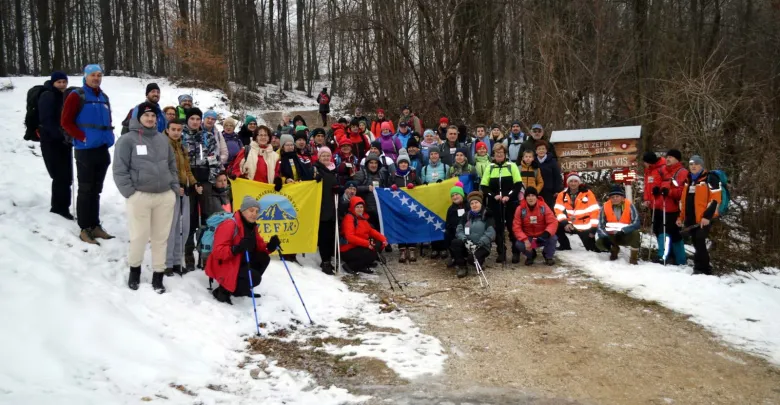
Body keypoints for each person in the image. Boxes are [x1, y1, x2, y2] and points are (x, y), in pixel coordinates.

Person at [113, 102, 178, 293]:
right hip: (140, 196)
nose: (150, 119)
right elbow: (119, 169)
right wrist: (130, 193)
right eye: (146, 116)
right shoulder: (127, 140)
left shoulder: (162, 139)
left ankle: (158, 275)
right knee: (139, 236)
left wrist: (173, 187)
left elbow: (171, 164)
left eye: (153, 116)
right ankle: (135, 271)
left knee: (160, 238)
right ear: (138, 117)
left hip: (164, 196)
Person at [60, 64, 115, 244]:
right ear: (85, 76)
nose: (96, 78)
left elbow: (109, 119)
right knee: (86, 189)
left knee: (97, 189)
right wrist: (81, 137)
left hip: (102, 148)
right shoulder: (77, 95)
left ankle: (95, 224)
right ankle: (84, 227)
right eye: (93, 75)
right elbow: (66, 121)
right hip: (85, 150)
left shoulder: (104, 96)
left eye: (99, 75)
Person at [206, 196, 280, 304]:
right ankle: (223, 290)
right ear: (243, 210)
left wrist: (270, 246)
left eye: (256, 211)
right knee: (255, 277)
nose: (254, 214)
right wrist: (237, 248)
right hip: (226, 263)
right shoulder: (230, 224)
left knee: (263, 258)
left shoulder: (252, 227)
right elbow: (218, 251)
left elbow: (259, 247)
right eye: (251, 210)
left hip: (240, 260)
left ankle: (240, 290)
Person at [164, 119, 201, 277]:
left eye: (179, 130)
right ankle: (168, 263)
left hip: (184, 189)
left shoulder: (182, 146)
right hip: (171, 190)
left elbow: (187, 169)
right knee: (171, 228)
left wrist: (194, 183)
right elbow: (162, 169)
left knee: (183, 227)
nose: (176, 132)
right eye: (173, 129)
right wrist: (173, 186)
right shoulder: (163, 146)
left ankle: (178, 261)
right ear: (167, 130)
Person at [37, 71, 73, 220]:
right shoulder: (48, 96)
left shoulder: (64, 96)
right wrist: (61, 135)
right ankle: (59, 209)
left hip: (63, 141)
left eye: (64, 82)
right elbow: (47, 121)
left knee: (66, 176)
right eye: (59, 82)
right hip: (51, 141)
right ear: (53, 83)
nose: (62, 85)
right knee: (60, 176)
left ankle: (63, 207)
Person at [678, 155, 722, 275]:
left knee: (700, 240)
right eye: (691, 164)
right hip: (691, 218)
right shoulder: (688, 180)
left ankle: (704, 269)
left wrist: (707, 217)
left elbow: (715, 199)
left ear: (701, 165)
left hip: (704, 218)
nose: (693, 166)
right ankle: (700, 267)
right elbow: (684, 201)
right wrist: (681, 217)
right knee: (696, 243)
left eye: (696, 164)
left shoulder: (710, 178)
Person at [480, 143, 523, 263]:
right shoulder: (490, 167)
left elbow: (518, 185)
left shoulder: (511, 166)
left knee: (512, 227)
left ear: (505, 154)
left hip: (510, 203)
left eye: (501, 153)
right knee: (498, 229)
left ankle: (516, 252)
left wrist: (508, 196)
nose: (499, 155)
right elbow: (484, 186)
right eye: (496, 153)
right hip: (495, 203)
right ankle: (501, 252)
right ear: (493, 154)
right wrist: (494, 196)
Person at [653, 149, 689, 265]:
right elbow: (659, 184)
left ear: (677, 159)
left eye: (671, 157)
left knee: (665, 231)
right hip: (662, 207)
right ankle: (680, 260)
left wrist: (669, 192)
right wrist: (657, 190)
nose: (668, 159)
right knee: (672, 233)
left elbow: (682, 192)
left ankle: (663, 256)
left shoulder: (682, 172)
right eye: (667, 156)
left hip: (673, 208)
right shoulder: (663, 170)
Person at [388, 149, 422, 262]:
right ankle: (402, 249)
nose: (403, 164)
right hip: (399, 206)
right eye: (401, 162)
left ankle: (412, 249)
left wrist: (415, 187)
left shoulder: (412, 175)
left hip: (411, 206)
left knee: (411, 225)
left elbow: (422, 187)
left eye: (405, 163)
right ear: (398, 164)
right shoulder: (393, 176)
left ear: (408, 164)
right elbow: (387, 188)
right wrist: (392, 188)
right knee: (400, 226)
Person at [339, 197, 388, 274]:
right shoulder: (349, 218)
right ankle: (350, 265)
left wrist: (383, 239)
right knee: (371, 251)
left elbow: (371, 231)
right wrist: (367, 244)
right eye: (357, 207)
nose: (360, 209)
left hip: (359, 246)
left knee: (377, 245)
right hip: (348, 249)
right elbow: (350, 237)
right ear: (352, 207)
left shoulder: (362, 217)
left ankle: (363, 264)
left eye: (361, 207)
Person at [453, 191, 495, 278]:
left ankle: (478, 260)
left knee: (472, 260)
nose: (474, 205)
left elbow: (491, 232)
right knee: (455, 242)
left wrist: (479, 243)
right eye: (472, 203)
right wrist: (465, 240)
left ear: (480, 203)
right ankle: (462, 267)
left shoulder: (487, 215)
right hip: (468, 244)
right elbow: (459, 230)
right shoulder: (466, 215)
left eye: (476, 202)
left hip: (482, 246)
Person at [554, 173, 600, 252]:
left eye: (575, 181)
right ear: (568, 183)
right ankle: (565, 245)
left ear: (579, 182)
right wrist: (565, 223)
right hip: (570, 225)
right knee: (554, 225)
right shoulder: (562, 194)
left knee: (592, 250)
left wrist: (593, 228)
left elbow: (594, 211)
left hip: (584, 226)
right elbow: (558, 210)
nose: (573, 183)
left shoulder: (588, 193)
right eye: (571, 181)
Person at [512, 187, 558, 266]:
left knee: (553, 238)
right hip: (528, 236)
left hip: (542, 236)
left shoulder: (544, 207)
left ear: (536, 197)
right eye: (528, 196)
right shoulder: (520, 209)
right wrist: (525, 240)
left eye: (533, 195)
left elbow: (553, 222)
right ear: (525, 197)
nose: (531, 198)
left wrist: (546, 234)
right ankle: (531, 255)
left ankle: (548, 256)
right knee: (519, 244)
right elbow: (516, 227)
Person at [596, 185, 641, 264]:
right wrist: (604, 236)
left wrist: (624, 230)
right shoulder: (605, 206)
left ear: (622, 197)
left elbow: (636, 222)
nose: (615, 198)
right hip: (611, 235)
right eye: (612, 197)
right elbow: (600, 224)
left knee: (636, 234)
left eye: (617, 196)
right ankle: (614, 249)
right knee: (599, 243)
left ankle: (633, 258)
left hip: (625, 234)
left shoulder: (629, 205)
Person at [314, 147, 339, 275]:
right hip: (322, 206)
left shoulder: (333, 169)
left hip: (332, 206)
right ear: (319, 157)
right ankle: (325, 261)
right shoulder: (316, 169)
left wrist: (338, 188)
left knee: (330, 235)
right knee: (323, 236)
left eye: (327, 156)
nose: (325, 158)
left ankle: (329, 258)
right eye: (323, 156)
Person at [354, 153, 390, 231]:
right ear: (367, 164)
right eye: (371, 163)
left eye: (376, 163)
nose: (374, 165)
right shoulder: (361, 174)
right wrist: (367, 188)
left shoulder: (381, 175)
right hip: (365, 211)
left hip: (378, 210)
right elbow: (353, 189)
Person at [444, 182, 467, 265]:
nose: (455, 197)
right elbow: (448, 223)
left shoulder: (469, 205)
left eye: (457, 194)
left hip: (468, 231)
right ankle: (454, 256)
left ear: (462, 194)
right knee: (447, 235)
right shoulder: (450, 209)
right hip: (455, 231)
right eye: (452, 195)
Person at [535, 141, 562, 210]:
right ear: (536, 151)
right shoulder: (533, 162)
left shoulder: (552, 161)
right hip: (537, 191)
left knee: (549, 210)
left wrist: (557, 190)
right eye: (539, 149)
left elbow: (557, 176)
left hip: (550, 192)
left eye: (543, 149)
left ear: (546, 150)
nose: (541, 151)